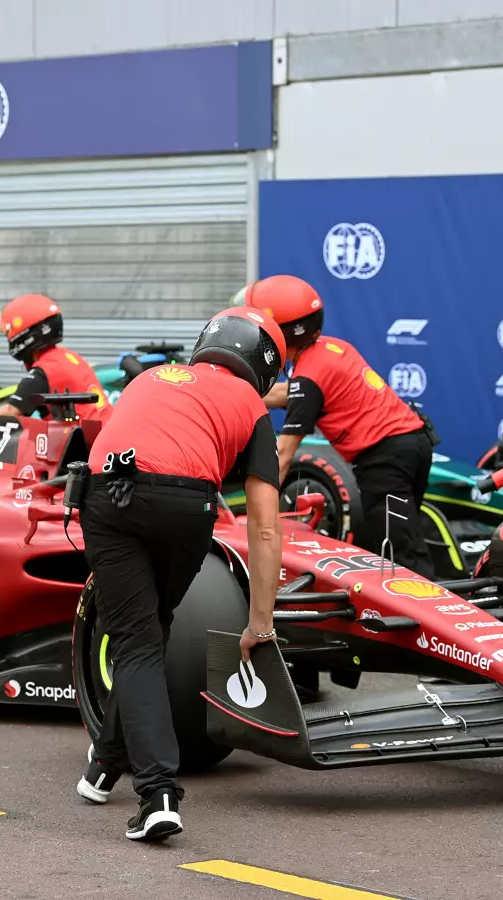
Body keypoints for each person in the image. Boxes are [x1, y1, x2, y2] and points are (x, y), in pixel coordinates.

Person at [75, 307, 286, 842]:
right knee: (148, 633)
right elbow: (264, 526)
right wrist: (260, 623)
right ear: (263, 367)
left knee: (137, 640)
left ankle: (157, 793)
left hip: (112, 494)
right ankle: (108, 766)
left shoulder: (150, 376)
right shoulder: (252, 406)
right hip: (188, 505)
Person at [243, 274, 435, 577]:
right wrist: (238, 392)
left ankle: (426, 614)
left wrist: (250, 513)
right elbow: (291, 392)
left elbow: (283, 455)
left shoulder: (308, 379)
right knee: (393, 540)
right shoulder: (330, 349)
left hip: (384, 461)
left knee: (400, 549)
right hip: (412, 446)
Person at [0, 294, 112, 421]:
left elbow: (9, 412)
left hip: (86, 438)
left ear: (24, 334)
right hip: (103, 432)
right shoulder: (67, 356)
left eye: (8, 335)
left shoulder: (44, 372)